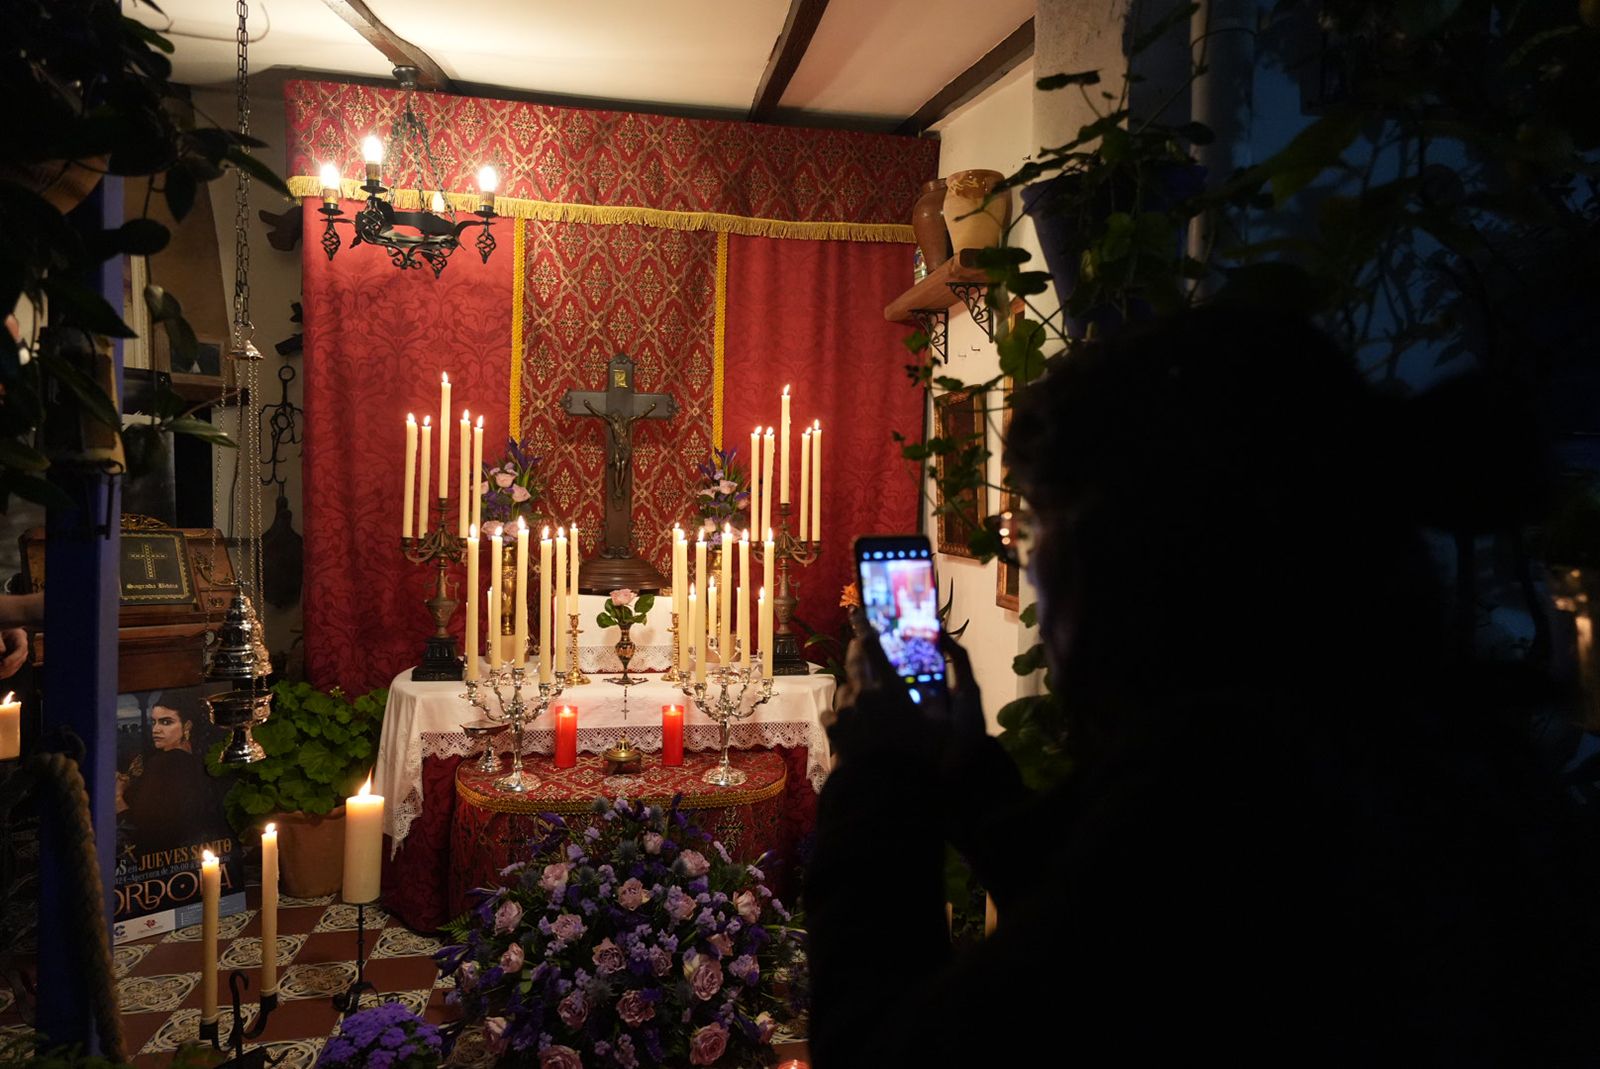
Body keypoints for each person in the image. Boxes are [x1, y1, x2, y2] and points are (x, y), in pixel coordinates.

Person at [804, 306, 1600, 1066]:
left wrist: (879, 776)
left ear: (1124, 553)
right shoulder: (1411, 741)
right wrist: (969, 772)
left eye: (1034, 525)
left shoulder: (1222, 794)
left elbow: (891, 1044)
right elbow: (1096, 935)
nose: (1029, 565)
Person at [117, 693, 230, 857]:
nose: (156, 729)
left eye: (166, 722)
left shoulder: (163, 763)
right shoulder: (196, 759)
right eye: (153, 722)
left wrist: (118, 798)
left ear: (187, 726)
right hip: (199, 856)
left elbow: (143, 831)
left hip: (159, 863)